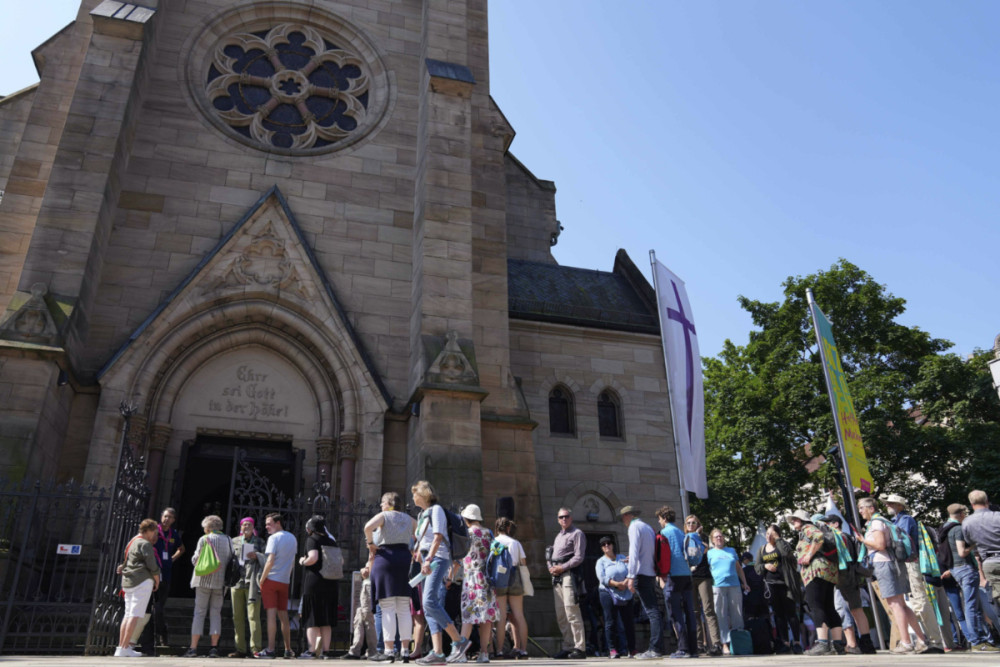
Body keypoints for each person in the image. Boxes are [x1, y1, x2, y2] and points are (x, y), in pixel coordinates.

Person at [857, 497, 928, 654]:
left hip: (884, 564)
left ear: (871, 508)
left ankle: (906, 642)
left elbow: (880, 545)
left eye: (862, 508)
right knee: (901, 604)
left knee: (894, 604)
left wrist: (863, 540)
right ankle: (921, 640)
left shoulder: (876, 523)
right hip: (894, 564)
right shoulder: (882, 521)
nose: (860, 511)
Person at [411, 481, 468, 666]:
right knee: (428, 607)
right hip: (428, 561)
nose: (413, 497)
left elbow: (438, 537)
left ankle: (459, 641)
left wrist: (428, 560)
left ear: (423, 494)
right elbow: (424, 540)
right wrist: (421, 555)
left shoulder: (436, 510)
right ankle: (438, 653)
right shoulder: (422, 514)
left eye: (415, 493)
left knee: (429, 601)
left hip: (438, 559)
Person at [882, 494, 946, 652]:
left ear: (899, 506)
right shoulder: (899, 520)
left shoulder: (905, 520)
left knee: (919, 601)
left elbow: (899, 541)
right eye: (887, 503)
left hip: (910, 563)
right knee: (915, 602)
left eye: (890, 503)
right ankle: (928, 640)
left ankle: (934, 641)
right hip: (906, 565)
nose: (887, 506)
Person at [365, 491, 419, 662]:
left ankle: (388, 651)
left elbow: (367, 527)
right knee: (403, 606)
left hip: (385, 558)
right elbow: (421, 532)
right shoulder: (409, 519)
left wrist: (370, 543)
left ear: (389, 503)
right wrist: (414, 548)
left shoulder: (384, 516)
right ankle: (404, 651)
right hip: (404, 559)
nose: (381, 505)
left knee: (387, 607)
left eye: (382, 502)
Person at [785, 509, 843, 656]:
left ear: (803, 520)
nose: (793, 522)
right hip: (828, 571)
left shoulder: (808, 528)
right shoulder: (807, 530)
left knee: (815, 605)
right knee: (829, 606)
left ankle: (822, 643)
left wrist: (808, 555)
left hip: (815, 571)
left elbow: (818, 537)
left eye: (796, 519)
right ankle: (838, 644)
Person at [820, 514, 875, 655]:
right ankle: (867, 643)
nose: (825, 527)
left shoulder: (836, 537)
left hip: (840, 577)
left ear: (836, 524)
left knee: (842, 610)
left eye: (828, 524)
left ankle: (851, 644)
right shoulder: (848, 537)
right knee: (857, 609)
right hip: (853, 576)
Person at [451, 504, 498, 664]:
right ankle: (484, 653)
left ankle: (461, 653)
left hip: (471, 579)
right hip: (486, 578)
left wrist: (450, 577)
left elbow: (458, 558)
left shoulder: (466, 533)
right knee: (486, 619)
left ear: (466, 518)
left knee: (468, 617)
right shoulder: (489, 533)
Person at [953, 492, 1000, 651]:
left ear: (971, 505)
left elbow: (970, 541)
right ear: (987, 501)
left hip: (989, 562)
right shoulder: (998, 516)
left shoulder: (967, 522)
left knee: (997, 599)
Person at [183, 514, 233, 658]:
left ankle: (193, 648)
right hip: (220, 582)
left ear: (208, 527)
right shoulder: (228, 540)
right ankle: (214, 648)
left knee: (199, 612)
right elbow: (231, 559)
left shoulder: (204, 539)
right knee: (216, 613)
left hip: (203, 580)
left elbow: (195, 560)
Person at [618, 505, 662, 659]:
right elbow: (647, 551)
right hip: (650, 572)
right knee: (653, 611)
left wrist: (630, 576)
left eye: (623, 517)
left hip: (641, 574)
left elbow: (634, 550)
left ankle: (655, 649)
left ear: (627, 516)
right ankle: (656, 647)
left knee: (652, 611)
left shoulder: (634, 527)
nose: (623, 521)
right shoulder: (647, 527)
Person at [656, 505, 698, 659]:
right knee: (689, 612)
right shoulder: (681, 532)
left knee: (675, 613)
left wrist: (661, 575)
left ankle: (683, 649)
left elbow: (661, 557)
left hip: (673, 576)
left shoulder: (664, 533)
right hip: (687, 574)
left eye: (660, 519)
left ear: (664, 518)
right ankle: (694, 649)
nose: (659, 522)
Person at [756, 523, 803, 654]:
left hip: (786, 584)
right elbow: (757, 567)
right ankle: (785, 643)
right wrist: (765, 566)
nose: (768, 536)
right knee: (779, 615)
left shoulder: (783, 545)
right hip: (771, 585)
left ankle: (797, 643)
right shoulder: (762, 549)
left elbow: (786, 554)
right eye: (767, 533)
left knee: (791, 614)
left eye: (771, 533)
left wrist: (778, 539)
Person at [116, 518, 161, 658]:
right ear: (148, 530)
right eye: (154, 531)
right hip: (142, 581)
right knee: (135, 615)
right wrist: (157, 578)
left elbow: (127, 560)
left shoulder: (132, 541)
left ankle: (121, 647)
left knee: (128, 614)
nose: (154, 535)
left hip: (128, 581)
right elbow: (152, 564)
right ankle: (125, 647)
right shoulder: (145, 543)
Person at [547, 507, 587, 659]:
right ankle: (568, 646)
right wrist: (551, 568)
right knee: (561, 614)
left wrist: (561, 567)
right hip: (557, 575)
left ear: (571, 518)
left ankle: (580, 647)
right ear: (558, 520)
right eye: (561, 517)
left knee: (572, 611)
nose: (564, 519)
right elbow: (551, 557)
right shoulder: (558, 536)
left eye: (566, 516)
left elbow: (579, 557)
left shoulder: (577, 533)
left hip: (569, 574)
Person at [257, 512, 298, 659]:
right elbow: (292, 561)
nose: (267, 526)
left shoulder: (273, 538)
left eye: (269, 523)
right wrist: (287, 576)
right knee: (284, 616)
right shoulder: (293, 538)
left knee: (271, 616)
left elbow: (270, 561)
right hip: (284, 581)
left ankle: (271, 649)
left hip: (271, 579)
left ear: (278, 523)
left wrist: (262, 579)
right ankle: (288, 649)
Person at [298, 515, 339, 659]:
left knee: (312, 617)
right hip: (331, 582)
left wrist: (303, 561)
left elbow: (313, 557)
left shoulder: (312, 539)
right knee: (326, 619)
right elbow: (341, 560)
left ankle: (311, 651)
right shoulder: (331, 541)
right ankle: (326, 652)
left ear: (310, 528)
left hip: (315, 581)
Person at [706, 529, 749, 655]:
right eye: (716, 537)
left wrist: (745, 583)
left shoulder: (731, 551)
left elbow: (738, 568)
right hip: (718, 586)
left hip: (734, 585)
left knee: (737, 613)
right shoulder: (709, 553)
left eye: (720, 536)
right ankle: (724, 643)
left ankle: (738, 642)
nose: (719, 538)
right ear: (712, 540)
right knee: (721, 615)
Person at [229, 517, 266, 658]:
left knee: (253, 616)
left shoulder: (260, 541)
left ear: (253, 526)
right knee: (237, 616)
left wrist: (257, 555)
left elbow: (268, 558)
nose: (246, 527)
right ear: (240, 527)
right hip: (237, 582)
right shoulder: (234, 541)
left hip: (252, 583)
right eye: (244, 524)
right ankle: (240, 649)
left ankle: (255, 648)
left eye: (249, 524)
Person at [684, 515, 721, 656]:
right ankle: (699, 644)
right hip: (689, 577)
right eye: (689, 523)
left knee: (709, 610)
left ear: (698, 524)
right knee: (694, 612)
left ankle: (716, 643)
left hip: (703, 576)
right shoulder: (684, 537)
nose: (691, 524)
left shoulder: (702, 536)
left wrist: (696, 536)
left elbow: (704, 550)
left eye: (694, 522)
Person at [492, 517, 529, 660]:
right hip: (514, 578)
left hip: (499, 579)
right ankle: (523, 650)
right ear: (508, 528)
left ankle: (500, 650)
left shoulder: (494, 542)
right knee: (519, 615)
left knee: (501, 617)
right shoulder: (515, 543)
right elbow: (523, 563)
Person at [595, 536, 636, 659]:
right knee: (610, 621)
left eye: (608, 543)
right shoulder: (600, 562)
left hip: (625, 592)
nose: (606, 546)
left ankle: (632, 649)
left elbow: (631, 570)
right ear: (602, 548)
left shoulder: (622, 558)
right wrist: (617, 584)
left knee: (628, 622)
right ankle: (612, 649)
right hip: (608, 592)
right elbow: (602, 578)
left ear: (613, 545)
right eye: (603, 544)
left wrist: (626, 582)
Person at [152, 507, 184, 646]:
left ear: (173, 520)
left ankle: (160, 633)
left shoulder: (173, 534)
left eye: (170, 517)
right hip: (151, 573)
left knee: (159, 606)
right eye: (165, 516)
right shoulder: (154, 531)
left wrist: (172, 559)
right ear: (161, 517)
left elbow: (182, 549)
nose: (167, 519)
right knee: (152, 607)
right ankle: (158, 634)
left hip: (165, 574)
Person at [345, 566, 378, 660]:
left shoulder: (377, 553)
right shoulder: (372, 554)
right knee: (358, 619)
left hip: (369, 586)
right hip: (365, 585)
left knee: (368, 620)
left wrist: (367, 570)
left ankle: (372, 651)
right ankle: (355, 650)